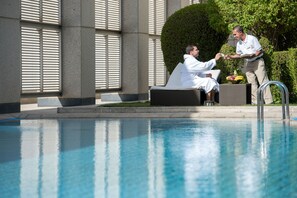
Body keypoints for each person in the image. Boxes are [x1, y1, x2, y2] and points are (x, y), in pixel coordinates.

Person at [225, 25, 273, 104]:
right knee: (251, 83)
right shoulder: (239, 43)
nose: (234, 36)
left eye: (235, 34)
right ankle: (255, 102)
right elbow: (238, 55)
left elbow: (260, 51)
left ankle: (269, 101)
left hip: (258, 61)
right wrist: (230, 56)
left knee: (263, 81)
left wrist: (253, 55)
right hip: (248, 63)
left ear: (240, 32)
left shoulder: (252, 39)